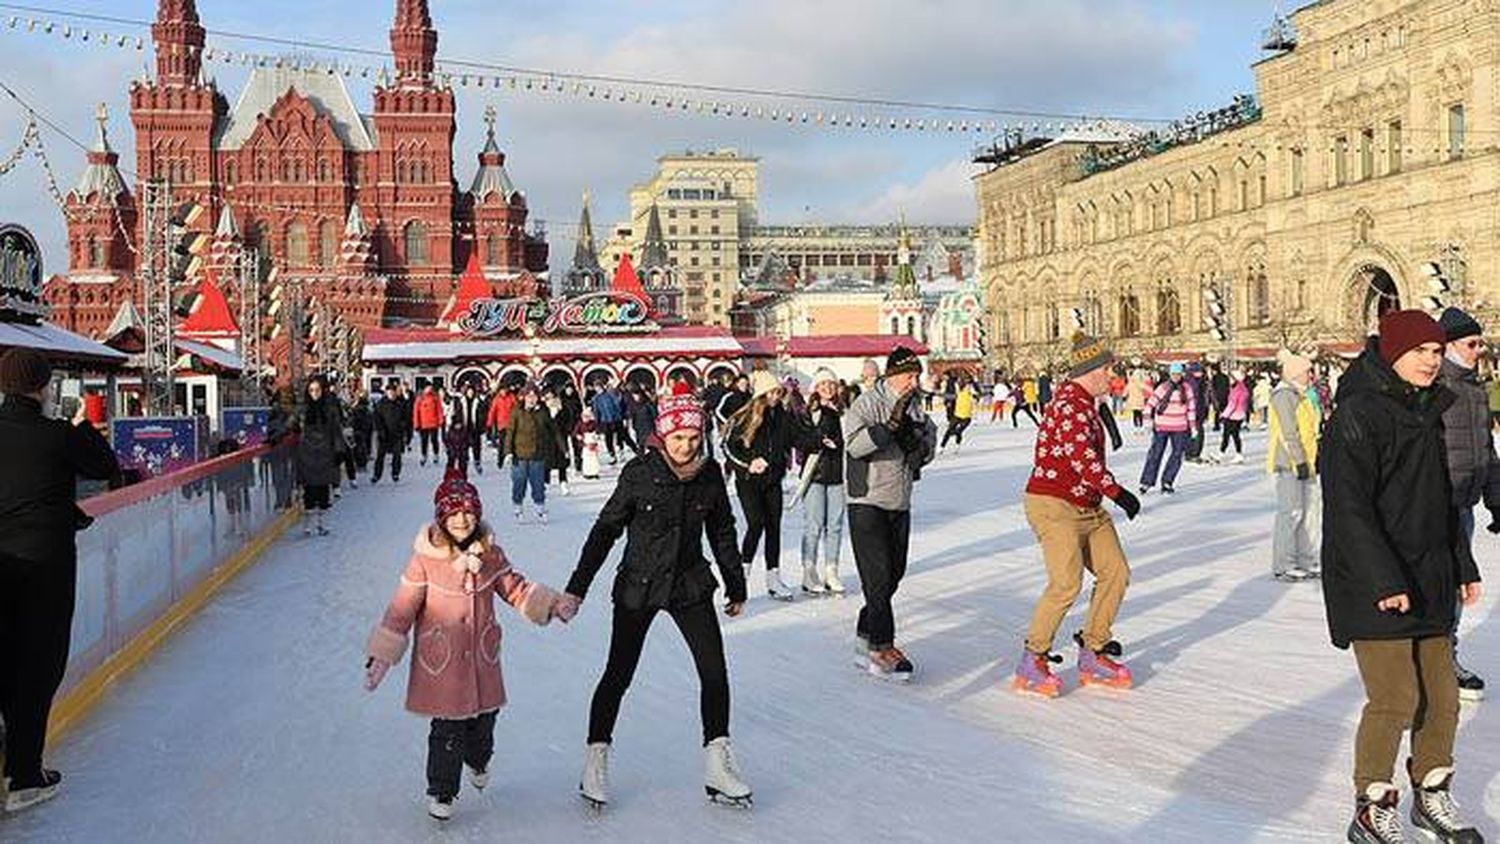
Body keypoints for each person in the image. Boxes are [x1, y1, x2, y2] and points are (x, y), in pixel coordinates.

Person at [1321, 310, 1484, 844]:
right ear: (1393, 354)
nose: (1431, 362)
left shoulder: (1429, 409)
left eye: (1437, 353)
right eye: (1420, 352)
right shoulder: (1358, 414)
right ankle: (1371, 806)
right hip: (1375, 582)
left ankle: (1430, 796)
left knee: (1440, 698)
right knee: (1394, 699)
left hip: (1429, 575)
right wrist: (1383, 580)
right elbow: (1348, 509)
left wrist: (1461, 562)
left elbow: (1440, 500)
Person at [556, 395, 752, 810]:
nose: (686, 445)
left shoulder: (709, 474)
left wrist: (736, 583)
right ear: (663, 435)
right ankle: (595, 759)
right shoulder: (639, 473)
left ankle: (718, 765)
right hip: (638, 588)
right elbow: (605, 531)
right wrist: (577, 587)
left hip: (688, 586)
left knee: (714, 673)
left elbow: (723, 532)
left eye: (693, 437)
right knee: (618, 675)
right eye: (678, 437)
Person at [363, 466, 565, 821]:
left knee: (483, 726)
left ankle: (479, 759)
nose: (462, 519)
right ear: (441, 517)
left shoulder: (491, 555)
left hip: (482, 661)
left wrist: (550, 603)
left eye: (469, 512)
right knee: (446, 730)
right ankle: (442, 790)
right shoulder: (425, 561)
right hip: (441, 664)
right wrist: (382, 655)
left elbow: (515, 589)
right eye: (454, 512)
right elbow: (401, 609)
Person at [0, 348, 118, 813]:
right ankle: (24, 775)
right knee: (38, 664)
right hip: (45, 566)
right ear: (42, 387)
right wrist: (81, 423)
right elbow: (105, 465)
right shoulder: (55, 435)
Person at [1013, 333, 1140, 698]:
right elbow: (1081, 458)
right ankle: (1031, 659)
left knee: (1115, 571)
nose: (1112, 373)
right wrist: (1118, 492)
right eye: (1108, 368)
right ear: (1093, 370)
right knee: (1066, 582)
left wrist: (1105, 494)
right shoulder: (1069, 403)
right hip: (1053, 503)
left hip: (1087, 504)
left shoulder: (1088, 403)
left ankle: (1093, 650)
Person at [843, 347, 936, 681]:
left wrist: (921, 447)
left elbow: (929, 439)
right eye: (909, 376)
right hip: (867, 499)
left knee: (892, 575)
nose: (914, 382)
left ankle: (865, 634)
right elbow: (853, 445)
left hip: (899, 499)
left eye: (916, 376)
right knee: (879, 578)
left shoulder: (915, 406)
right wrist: (887, 429)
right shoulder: (866, 403)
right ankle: (882, 648)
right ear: (892, 375)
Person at [1436, 307, 1494, 702]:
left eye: (1480, 343)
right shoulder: (1435, 387)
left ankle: (1445, 659)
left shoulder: (1474, 388)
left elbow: (1487, 452)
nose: (1479, 349)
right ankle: (1435, 666)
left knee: (1456, 586)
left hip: (1464, 503)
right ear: (1450, 346)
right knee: (1440, 585)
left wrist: (1497, 499)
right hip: (1437, 505)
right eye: (1472, 344)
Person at [723, 371, 796, 601]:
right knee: (756, 524)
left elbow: (797, 437)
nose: (776, 396)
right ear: (762, 393)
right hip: (749, 482)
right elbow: (728, 447)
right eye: (772, 392)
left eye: (779, 392)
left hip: (773, 480)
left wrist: (817, 441)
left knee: (773, 526)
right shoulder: (746, 416)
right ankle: (740, 576)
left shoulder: (782, 416)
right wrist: (748, 464)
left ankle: (773, 578)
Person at [1269, 350, 1321, 582]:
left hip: (1308, 462)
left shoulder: (1304, 395)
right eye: (1308, 371)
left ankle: (1307, 559)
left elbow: (1311, 430)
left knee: (1311, 513)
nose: (1311, 375)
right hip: (1290, 463)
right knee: (1291, 513)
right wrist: (1298, 461)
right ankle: (1284, 563)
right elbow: (1288, 432)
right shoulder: (1284, 395)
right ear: (1296, 373)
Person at [795, 368, 847, 596]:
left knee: (835, 525)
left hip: (836, 474)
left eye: (831, 384)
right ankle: (809, 571)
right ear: (815, 388)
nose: (827, 388)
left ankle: (831, 570)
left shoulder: (843, 412)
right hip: (814, 474)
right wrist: (818, 440)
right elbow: (799, 440)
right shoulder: (810, 411)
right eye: (823, 384)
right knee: (814, 525)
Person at [1139, 363, 1198, 495]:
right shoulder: (1163, 387)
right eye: (1173, 374)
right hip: (1161, 426)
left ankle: (1167, 481)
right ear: (1170, 374)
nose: (1176, 377)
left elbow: (1191, 409)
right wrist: (1147, 421)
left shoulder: (1187, 388)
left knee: (1177, 455)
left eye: (1178, 374)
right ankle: (1146, 481)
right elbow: (1150, 405)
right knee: (1156, 453)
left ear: (1182, 374)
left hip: (1180, 427)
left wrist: (1193, 427)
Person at [296, 375, 344, 537]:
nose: (314, 393)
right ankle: (307, 525)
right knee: (309, 492)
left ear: (322, 391)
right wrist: (275, 435)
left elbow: (337, 431)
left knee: (323, 491)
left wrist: (339, 451)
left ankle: (322, 524)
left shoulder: (329, 410)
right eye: (311, 390)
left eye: (317, 390)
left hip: (325, 454)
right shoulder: (302, 410)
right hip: (307, 455)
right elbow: (290, 423)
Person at [504, 386, 558, 524]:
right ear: (524, 397)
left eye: (534, 396)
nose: (532, 399)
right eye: (529, 396)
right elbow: (510, 432)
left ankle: (540, 508)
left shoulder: (542, 412)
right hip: (519, 455)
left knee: (538, 483)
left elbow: (553, 431)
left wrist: (562, 449)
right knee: (519, 482)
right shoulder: (517, 411)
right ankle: (518, 507)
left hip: (537, 454)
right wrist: (508, 452)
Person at [1210, 369, 1250, 464]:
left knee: (1226, 436)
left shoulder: (1237, 390)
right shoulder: (1243, 389)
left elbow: (1232, 405)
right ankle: (1238, 454)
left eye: (1231, 378)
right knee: (1235, 436)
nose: (1230, 380)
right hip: (1239, 415)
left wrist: (1223, 416)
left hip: (1233, 416)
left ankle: (1220, 455)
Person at [372, 382, 406, 484]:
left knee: (397, 455)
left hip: (396, 434)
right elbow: (377, 419)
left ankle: (395, 473)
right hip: (384, 435)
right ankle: (377, 475)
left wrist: (402, 427)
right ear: (386, 393)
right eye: (389, 392)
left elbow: (405, 418)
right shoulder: (381, 404)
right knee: (380, 456)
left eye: (393, 392)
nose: (391, 394)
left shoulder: (399, 404)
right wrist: (381, 431)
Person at [451, 384, 489, 476]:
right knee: (463, 449)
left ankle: (477, 462)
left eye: (472, 391)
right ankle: (463, 467)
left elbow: (483, 414)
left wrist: (482, 426)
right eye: (469, 391)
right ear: (466, 392)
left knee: (476, 448)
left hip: (475, 429)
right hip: (463, 429)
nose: (470, 393)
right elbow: (456, 413)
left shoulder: (478, 401)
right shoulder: (460, 401)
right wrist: (456, 423)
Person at [939, 377, 976, 453]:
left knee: (958, 432)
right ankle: (941, 447)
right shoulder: (958, 393)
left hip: (967, 417)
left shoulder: (970, 392)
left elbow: (977, 391)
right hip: (957, 415)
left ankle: (957, 446)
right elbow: (949, 395)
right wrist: (941, 396)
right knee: (948, 431)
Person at [485, 384, 516, 471]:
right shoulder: (497, 399)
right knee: (502, 442)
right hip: (501, 424)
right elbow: (492, 410)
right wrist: (489, 422)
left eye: (505, 390)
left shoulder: (511, 397)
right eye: (502, 390)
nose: (504, 392)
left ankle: (512, 457)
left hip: (511, 423)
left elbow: (516, 407)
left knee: (512, 441)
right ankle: (500, 460)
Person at [412, 385, 445, 466]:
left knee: (434, 440)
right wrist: (416, 423)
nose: (429, 389)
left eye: (430, 388)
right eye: (427, 387)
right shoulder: (420, 398)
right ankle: (424, 455)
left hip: (434, 423)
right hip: (423, 424)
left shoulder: (435, 398)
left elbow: (439, 410)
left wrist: (441, 420)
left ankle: (436, 455)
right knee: (424, 441)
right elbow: (416, 412)